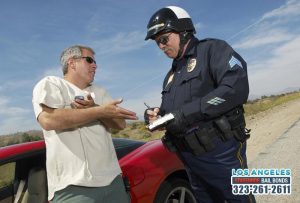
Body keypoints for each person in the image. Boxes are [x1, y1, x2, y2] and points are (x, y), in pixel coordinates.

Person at [144, 6, 256, 203]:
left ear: (183, 31)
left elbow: (235, 87)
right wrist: (155, 114)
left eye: (164, 39)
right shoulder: (170, 76)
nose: (161, 46)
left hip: (222, 153)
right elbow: (171, 111)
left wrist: (185, 114)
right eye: (157, 42)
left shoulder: (212, 50)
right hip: (189, 159)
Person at [32, 45, 137, 203]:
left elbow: (120, 124)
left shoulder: (100, 91)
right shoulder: (51, 84)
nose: (95, 65)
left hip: (113, 182)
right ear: (72, 63)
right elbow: (48, 120)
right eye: (89, 60)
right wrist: (99, 112)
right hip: (74, 189)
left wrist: (95, 108)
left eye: (95, 62)